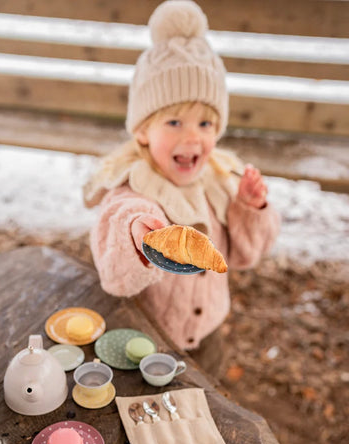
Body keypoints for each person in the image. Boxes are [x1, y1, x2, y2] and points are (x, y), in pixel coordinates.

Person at [83, 0, 280, 370]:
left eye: (205, 124)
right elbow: (122, 218)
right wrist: (137, 233)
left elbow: (245, 255)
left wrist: (249, 209)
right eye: (174, 122)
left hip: (208, 336)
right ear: (143, 129)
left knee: (211, 395)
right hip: (145, 339)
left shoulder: (220, 181)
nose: (192, 138)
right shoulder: (135, 184)